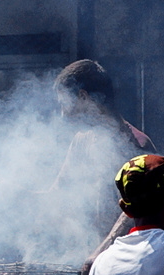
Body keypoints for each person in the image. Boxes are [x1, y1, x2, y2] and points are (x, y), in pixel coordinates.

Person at [48, 60, 156, 256]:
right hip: (91, 257)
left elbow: (138, 211)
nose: (62, 115)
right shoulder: (80, 141)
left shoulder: (136, 145)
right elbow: (57, 194)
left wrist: (101, 252)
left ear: (83, 97)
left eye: (64, 104)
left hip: (129, 260)